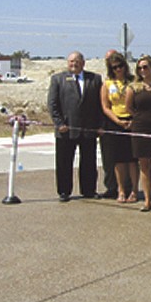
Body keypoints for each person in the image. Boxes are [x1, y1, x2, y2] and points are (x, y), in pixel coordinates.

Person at [47, 51, 103, 202]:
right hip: (66, 129)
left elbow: (100, 105)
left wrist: (99, 125)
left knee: (89, 162)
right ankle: (64, 191)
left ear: (83, 63)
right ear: (67, 63)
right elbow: (52, 104)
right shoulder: (58, 79)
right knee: (64, 162)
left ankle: (89, 190)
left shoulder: (95, 79)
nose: (74, 64)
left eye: (77, 61)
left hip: (88, 129)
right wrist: (59, 123)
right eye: (71, 61)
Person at [125, 55, 151, 212]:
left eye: (145, 67)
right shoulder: (133, 87)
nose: (143, 70)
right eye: (140, 68)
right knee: (144, 165)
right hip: (140, 128)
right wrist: (138, 118)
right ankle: (146, 200)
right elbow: (129, 108)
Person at [101, 52, 139, 204]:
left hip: (132, 121)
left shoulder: (133, 81)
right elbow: (105, 107)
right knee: (119, 160)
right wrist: (117, 121)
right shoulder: (108, 83)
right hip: (115, 122)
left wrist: (133, 120)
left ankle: (135, 190)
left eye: (120, 66)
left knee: (132, 159)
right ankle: (121, 190)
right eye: (115, 67)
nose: (118, 69)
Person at [99, 49, 119, 198]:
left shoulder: (129, 80)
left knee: (127, 160)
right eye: (108, 59)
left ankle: (127, 187)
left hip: (126, 124)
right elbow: (102, 105)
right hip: (108, 124)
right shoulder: (104, 81)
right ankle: (111, 187)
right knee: (109, 160)